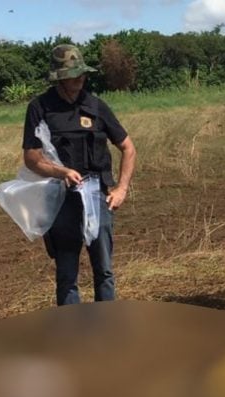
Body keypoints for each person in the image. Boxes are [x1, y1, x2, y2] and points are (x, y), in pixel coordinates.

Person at [23, 44, 136, 306]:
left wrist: (121, 189)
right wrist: (60, 171)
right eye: (74, 74)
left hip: (99, 197)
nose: (80, 78)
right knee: (66, 274)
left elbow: (128, 147)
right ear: (59, 77)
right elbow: (31, 158)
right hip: (61, 200)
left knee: (104, 270)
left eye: (82, 73)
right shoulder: (40, 107)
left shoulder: (96, 105)